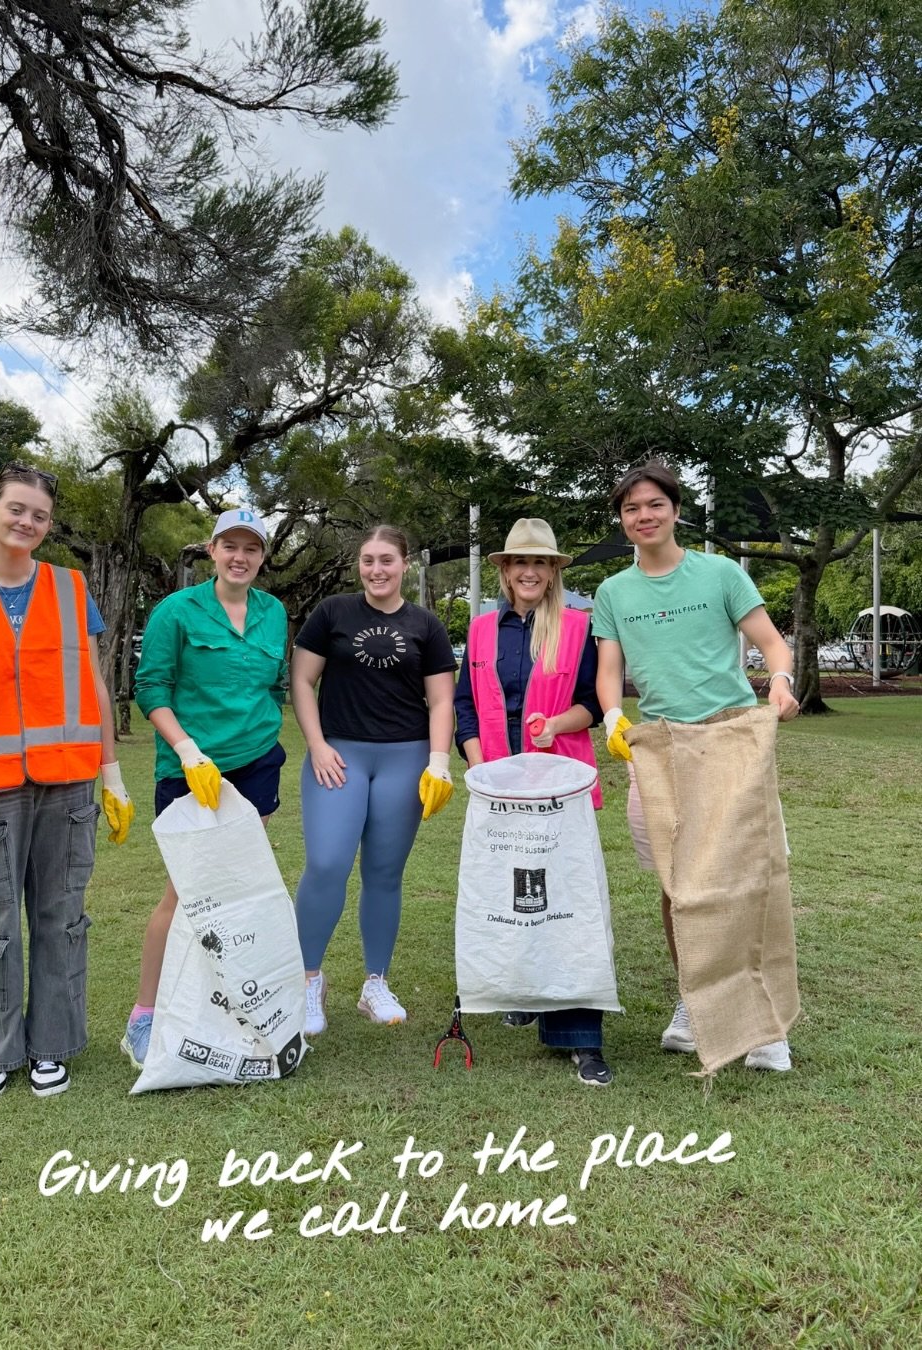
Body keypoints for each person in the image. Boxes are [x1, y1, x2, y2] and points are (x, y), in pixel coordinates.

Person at [0, 462, 133, 1102]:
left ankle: (52, 1047)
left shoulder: (70, 589)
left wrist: (111, 773)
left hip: (66, 785)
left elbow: (94, 687)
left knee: (61, 918)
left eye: (39, 514)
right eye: (16, 509)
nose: (27, 522)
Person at [593, 461, 800, 1071]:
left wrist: (781, 683)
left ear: (675, 509)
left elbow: (772, 643)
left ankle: (764, 1025)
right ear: (623, 519)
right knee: (676, 885)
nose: (644, 516)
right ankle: (695, 1001)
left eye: (654, 504)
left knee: (748, 874)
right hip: (657, 747)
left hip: (731, 739)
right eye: (632, 509)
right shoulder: (613, 592)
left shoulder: (720, 573)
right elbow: (609, 670)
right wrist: (611, 717)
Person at [122, 508, 288, 1068]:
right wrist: (189, 749)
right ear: (212, 551)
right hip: (192, 769)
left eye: (251, 548)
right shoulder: (178, 610)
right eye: (230, 546)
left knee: (239, 891)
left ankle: (228, 1007)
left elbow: (270, 689)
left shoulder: (273, 613)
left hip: (257, 764)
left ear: (262, 557)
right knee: (185, 893)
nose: (240, 557)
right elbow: (150, 687)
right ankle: (144, 1016)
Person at [454, 518, 612, 1087]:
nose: (528, 571)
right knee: (516, 895)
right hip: (500, 788)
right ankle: (526, 993)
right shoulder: (480, 630)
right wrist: (478, 766)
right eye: (518, 562)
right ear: (503, 570)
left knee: (568, 903)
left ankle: (580, 1036)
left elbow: (594, 703)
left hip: (558, 784)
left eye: (540, 563)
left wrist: (554, 728)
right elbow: (465, 706)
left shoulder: (577, 627)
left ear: (553, 572)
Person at [292, 525, 456, 1034]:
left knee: (384, 873)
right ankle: (307, 981)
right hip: (339, 753)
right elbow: (301, 679)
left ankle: (375, 983)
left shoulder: (425, 624)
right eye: (368, 560)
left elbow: (442, 699)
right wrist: (318, 745)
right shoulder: (332, 613)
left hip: (404, 757)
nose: (377, 570)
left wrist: (438, 760)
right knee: (326, 863)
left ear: (406, 563)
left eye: (387, 560)